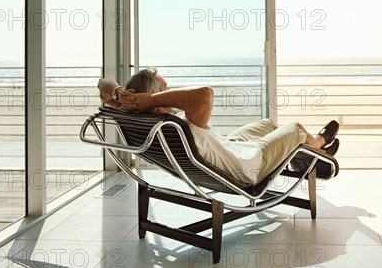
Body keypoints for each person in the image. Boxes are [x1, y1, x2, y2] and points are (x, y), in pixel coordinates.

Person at [98, 68, 339, 185]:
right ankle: (320, 146)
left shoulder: (135, 115)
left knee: (267, 124)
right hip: (246, 168)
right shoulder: (179, 123)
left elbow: (102, 84)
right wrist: (152, 100)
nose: (171, 92)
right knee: (296, 128)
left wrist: (118, 93)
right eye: (166, 89)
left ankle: (304, 159)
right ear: (155, 98)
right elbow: (205, 94)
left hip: (229, 148)